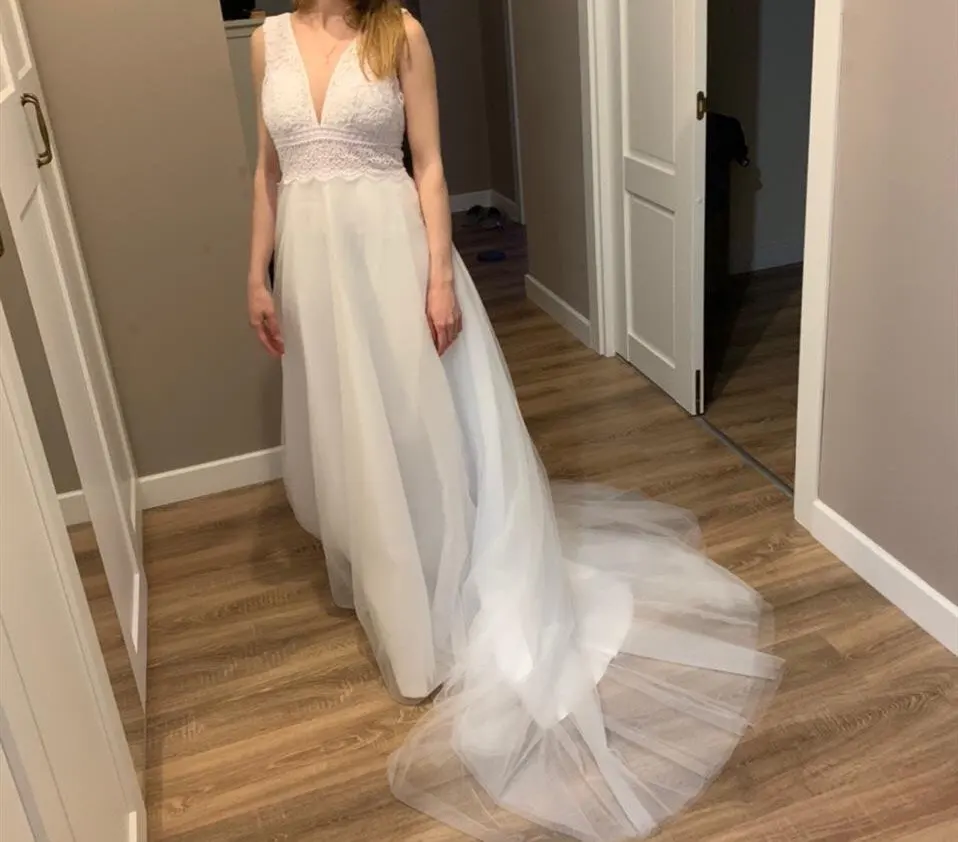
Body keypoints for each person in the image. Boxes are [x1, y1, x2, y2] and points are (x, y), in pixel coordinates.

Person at [246, 2, 783, 839]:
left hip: (391, 257)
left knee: (418, 432)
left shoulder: (399, 32)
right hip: (315, 269)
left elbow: (429, 166)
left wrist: (438, 277)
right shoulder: (267, 41)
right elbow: (268, 173)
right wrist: (258, 274)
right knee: (352, 435)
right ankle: (389, 582)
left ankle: (436, 606)